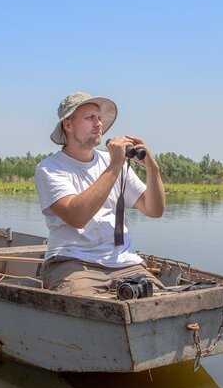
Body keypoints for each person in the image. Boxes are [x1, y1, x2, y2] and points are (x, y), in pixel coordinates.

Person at [34, 91, 166, 296]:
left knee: (161, 302)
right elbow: (77, 217)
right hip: (73, 262)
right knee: (83, 306)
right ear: (68, 125)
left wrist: (152, 168)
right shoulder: (50, 168)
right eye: (90, 118)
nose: (98, 124)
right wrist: (114, 166)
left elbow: (154, 209)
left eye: (99, 118)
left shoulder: (114, 164)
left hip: (125, 263)